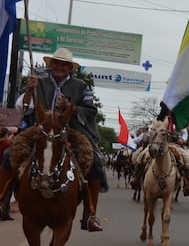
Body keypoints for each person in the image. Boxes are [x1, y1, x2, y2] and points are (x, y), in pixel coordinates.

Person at [0, 47, 108, 232]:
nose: (59, 67)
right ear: (51, 65)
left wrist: (70, 107)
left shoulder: (81, 86)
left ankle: (90, 214)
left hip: (70, 130)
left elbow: (91, 111)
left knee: (96, 160)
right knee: (10, 153)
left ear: (70, 68)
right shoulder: (37, 80)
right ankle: (2, 200)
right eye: (56, 63)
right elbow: (23, 108)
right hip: (39, 129)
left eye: (64, 64)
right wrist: (29, 90)